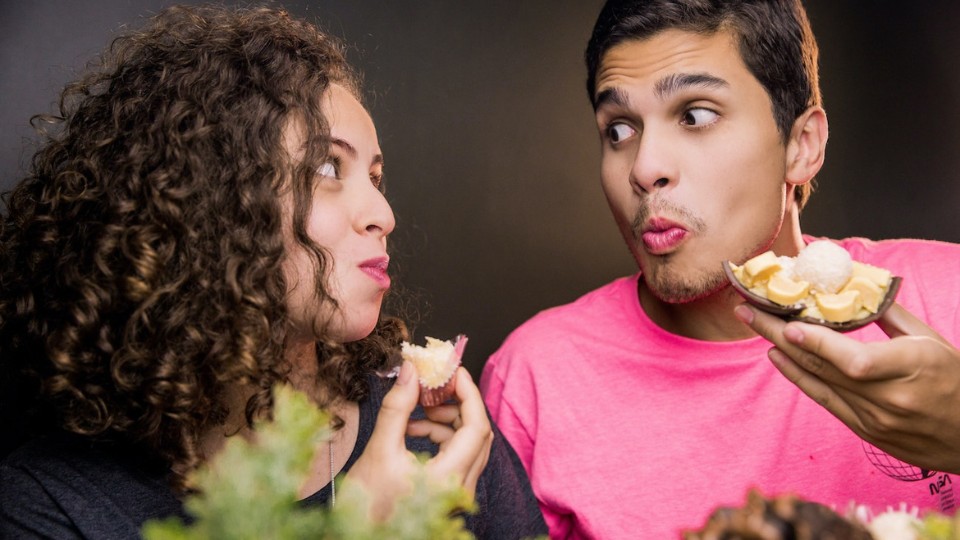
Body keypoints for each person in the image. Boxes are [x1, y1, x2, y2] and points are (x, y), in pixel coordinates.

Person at [0, 6, 547, 539]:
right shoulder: (53, 504)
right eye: (327, 167)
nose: (384, 215)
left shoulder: (435, 444)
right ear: (210, 203)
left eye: (376, 178)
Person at [480, 0, 960, 538]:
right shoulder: (535, 379)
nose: (644, 168)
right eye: (619, 130)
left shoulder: (948, 298)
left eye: (696, 116)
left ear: (802, 146)